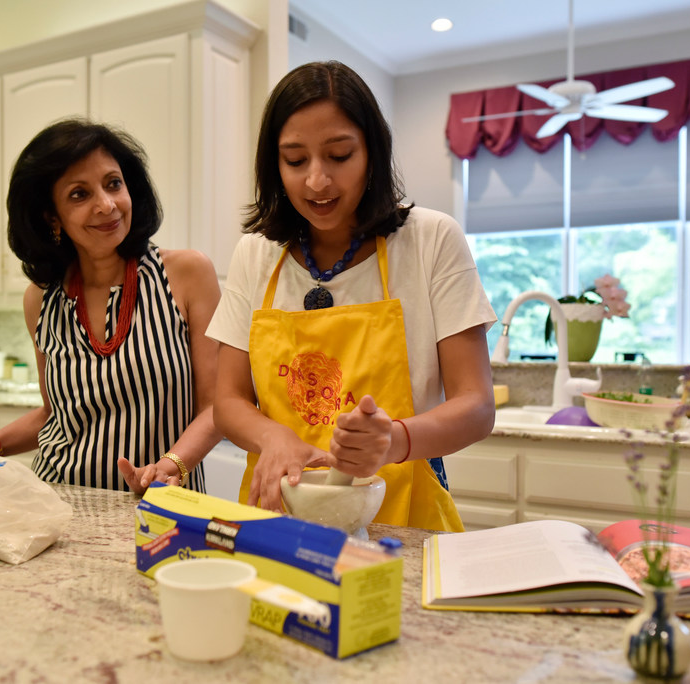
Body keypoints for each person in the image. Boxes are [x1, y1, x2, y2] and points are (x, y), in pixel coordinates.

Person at [206, 61, 496, 532]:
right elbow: (230, 401)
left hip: (400, 520)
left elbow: (477, 406)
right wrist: (272, 436)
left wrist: (394, 440)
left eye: (339, 156)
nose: (317, 181)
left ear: (372, 155)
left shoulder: (431, 239)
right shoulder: (256, 254)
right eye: (295, 161)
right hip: (278, 517)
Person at [0, 118, 222, 495]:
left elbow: (217, 407)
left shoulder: (186, 274)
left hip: (163, 506)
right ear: (51, 216)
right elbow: (53, 416)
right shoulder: (41, 299)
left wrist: (171, 465)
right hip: (59, 504)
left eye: (113, 184)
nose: (106, 205)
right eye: (79, 194)